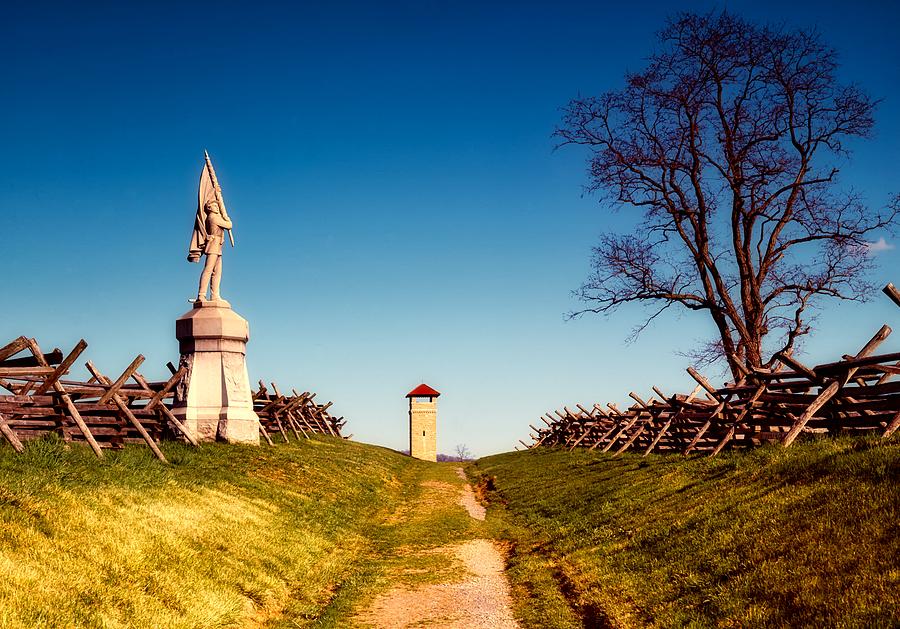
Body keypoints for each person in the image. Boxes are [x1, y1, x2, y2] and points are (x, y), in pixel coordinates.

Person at [191, 199, 232, 301]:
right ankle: (201, 294)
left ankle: (215, 295)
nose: (217, 207)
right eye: (215, 206)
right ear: (209, 208)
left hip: (218, 244)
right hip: (213, 244)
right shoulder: (213, 218)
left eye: (217, 206)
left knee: (217, 271)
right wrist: (227, 219)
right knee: (209, 269)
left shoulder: (216, 217)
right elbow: (229, 225)